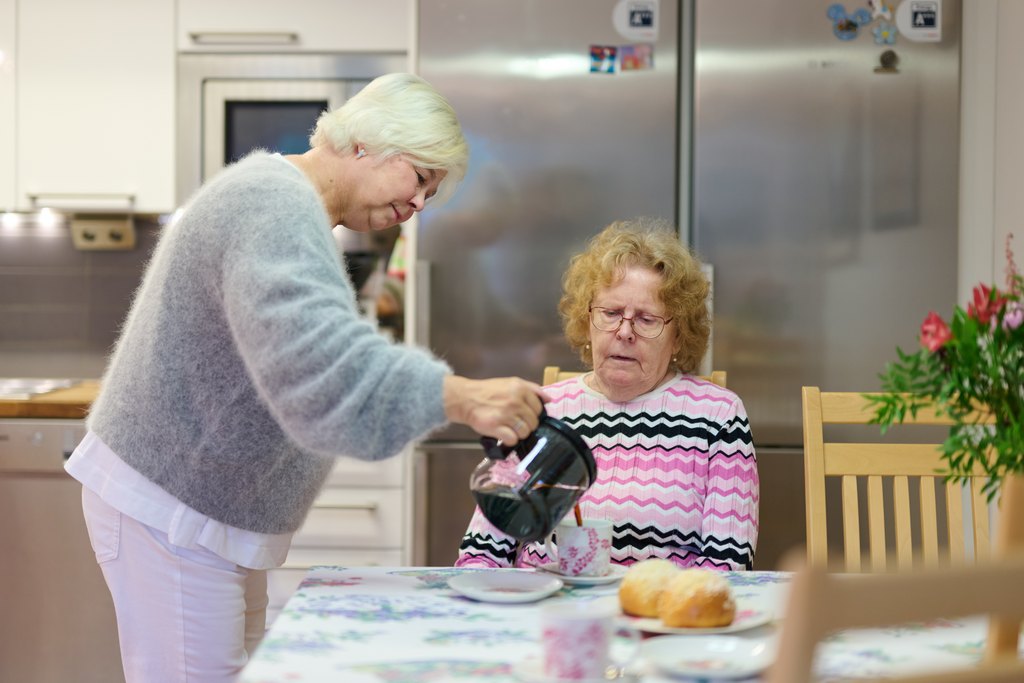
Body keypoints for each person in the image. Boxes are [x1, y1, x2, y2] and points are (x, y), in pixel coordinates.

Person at [65, 72, 547, 683]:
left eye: (433, 191)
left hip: (203, 508)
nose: (420, 204)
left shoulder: (292, 208)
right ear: (367, 143)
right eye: (420, 177)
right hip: (172, 505)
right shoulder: (271, 203)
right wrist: (459, 396)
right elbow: (319, 367)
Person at [456, 217, 759, 571]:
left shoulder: (717, 415)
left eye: (646, 319)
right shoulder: (545, 411)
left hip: (657, 616)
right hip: (544, 611)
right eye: (611, 313)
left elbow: (727, 564)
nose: (624, 332)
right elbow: (482, 551)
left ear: (678, 335)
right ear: (587, 323)